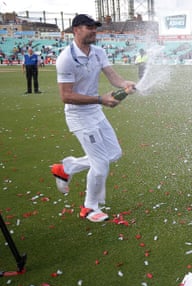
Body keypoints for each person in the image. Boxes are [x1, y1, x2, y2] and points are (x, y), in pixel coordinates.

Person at [51, 14, 136, 223]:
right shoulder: (66, 58)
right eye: (89, 27)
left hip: (95, 112)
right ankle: (89, 207)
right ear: (76, 30)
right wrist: (100, 99)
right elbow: (66, 96)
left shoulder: (98, 52)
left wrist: (124, 83)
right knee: (100, 164)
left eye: (95, 27)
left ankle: (67, 168)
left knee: (114, 153)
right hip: (79, 116)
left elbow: (112, 75)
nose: (94, 30)